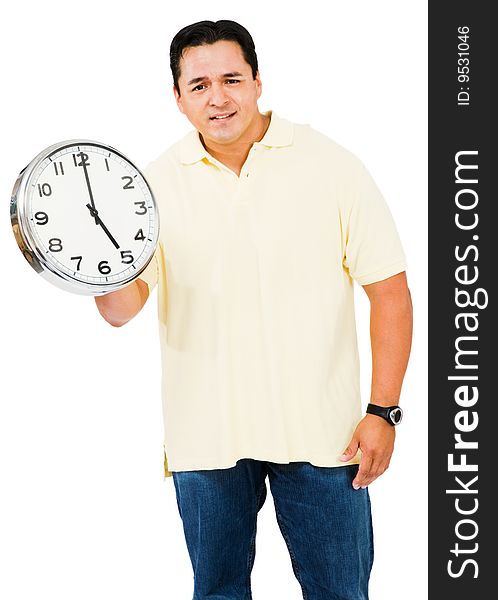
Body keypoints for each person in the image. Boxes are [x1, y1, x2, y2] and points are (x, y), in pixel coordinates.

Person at [95, 19, 413, 600]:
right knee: (217, 592)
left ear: (258, 82)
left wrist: (383, 412)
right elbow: (120, 311)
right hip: (207, 438)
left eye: (232, 79)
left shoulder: (330, 164)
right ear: (178, 97)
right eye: (199, 86)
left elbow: (389, 290)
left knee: (341, 593)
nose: (218, 99)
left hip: (324, 437)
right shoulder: (153, 185)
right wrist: (95, 266)